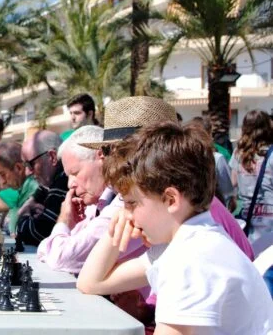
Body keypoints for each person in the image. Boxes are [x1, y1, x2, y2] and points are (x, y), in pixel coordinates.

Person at [78, 122, 272, 334]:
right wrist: (117, 225)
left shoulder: (191, 259)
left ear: (171, 200)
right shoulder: (192, 241)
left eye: (132, 203)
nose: (128, 214)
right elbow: (91, 282)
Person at [37, 125, 145, 273]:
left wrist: (63, 221)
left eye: (75, 173)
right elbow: (48, 249)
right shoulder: (100, 202)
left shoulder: (126, 203)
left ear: (100, 156)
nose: (70, 185)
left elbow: (61, 257)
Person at [15, 130, 68, 245]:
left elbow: (37, 232)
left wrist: (24, 216)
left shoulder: (64, 180)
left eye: (31, 164)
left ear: (52, 157)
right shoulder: (48, 183)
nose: (28, 172)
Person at [229, 109, 273, 240]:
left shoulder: (238, 152)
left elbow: (233, 183)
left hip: (248, 220)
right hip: (270, 223)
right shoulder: (271, 153)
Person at [189, 116, 234, 203]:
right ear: (208, 134)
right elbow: (227, 190)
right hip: (213, 206)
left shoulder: (184, 157)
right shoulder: (217, 158)